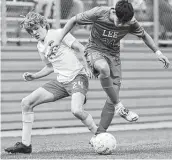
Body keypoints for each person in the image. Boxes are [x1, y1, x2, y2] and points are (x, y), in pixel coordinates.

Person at [48, 0, 170, 137]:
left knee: (113, 94)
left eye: (125, 23)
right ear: (113, 12)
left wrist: (158, 53)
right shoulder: (99, 13)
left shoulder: (131, 22)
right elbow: (73, 20)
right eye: (119, 21)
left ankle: (100, 135)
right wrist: (58, 40)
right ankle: (120, 107)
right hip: (94, 50)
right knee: (104, 69)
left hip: (114, 56)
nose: (121, 25)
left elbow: (144, 36)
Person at [4, 11, 98, 154]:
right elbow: (50, 66)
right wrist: (34, 76)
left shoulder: (59, 33)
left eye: (36, 28)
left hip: (78, 77)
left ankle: (99, 134)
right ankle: (25, 145)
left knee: (77, 110)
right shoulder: (40, 46)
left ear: (43, 24)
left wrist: (87, 66)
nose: (34, 32)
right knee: (26, 102)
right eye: (30, 31)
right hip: (61, 82)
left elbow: (80, 48)